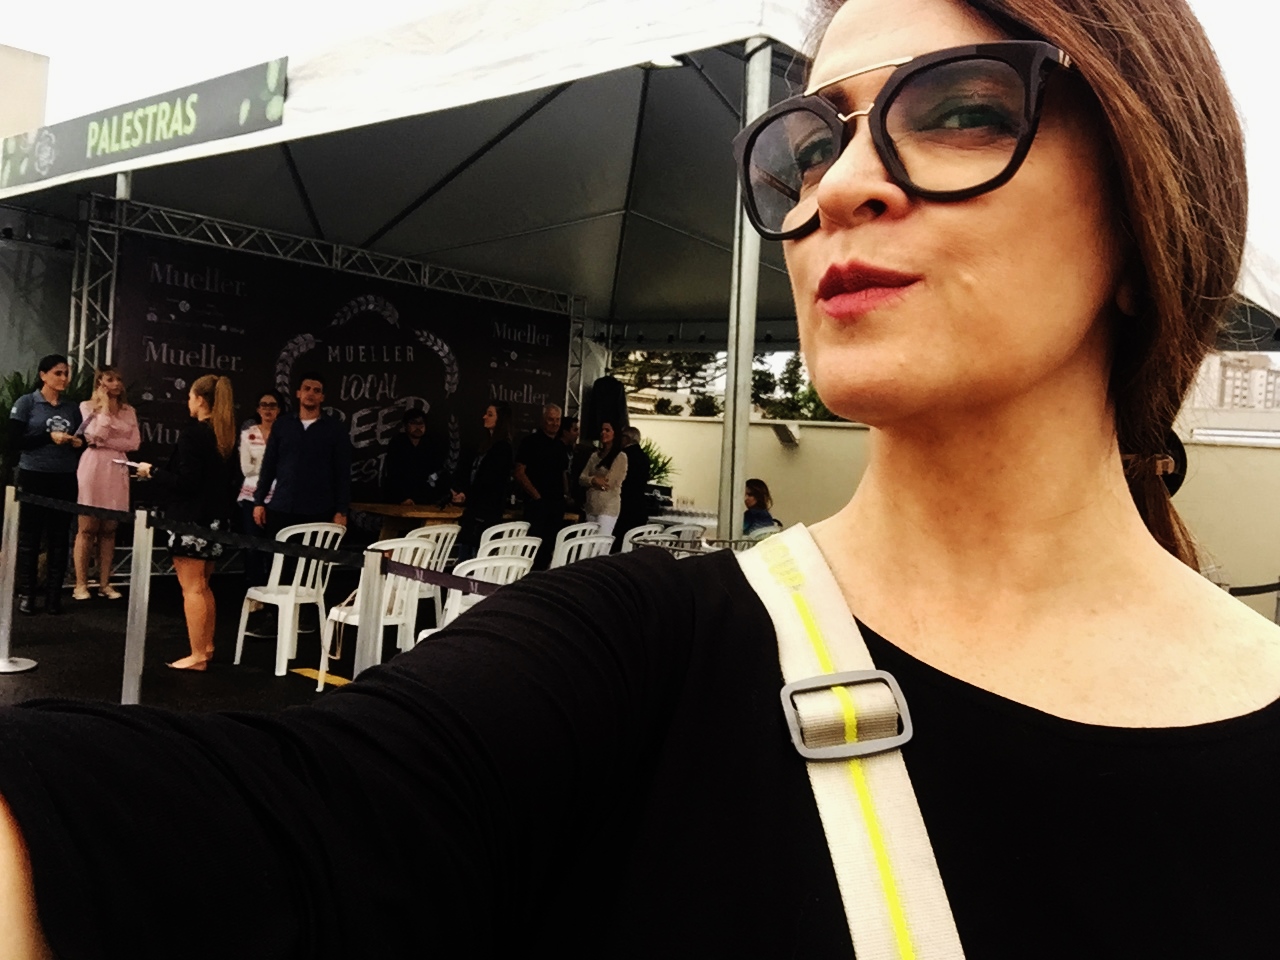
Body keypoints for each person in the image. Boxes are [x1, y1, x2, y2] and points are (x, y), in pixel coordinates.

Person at [3, 0, 1280, 954]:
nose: (837, 187)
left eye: (958, 110)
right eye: (806, 145)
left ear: (1147, 209)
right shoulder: (641, 656)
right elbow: (286, 822)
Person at [135, 375, 236, 672]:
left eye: (190, 397)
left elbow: (188, 483)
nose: (187, 402)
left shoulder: (193, 435)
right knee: (203, 586)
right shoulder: (225, 434)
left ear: (201, 400)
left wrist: (153, 472)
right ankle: (206, 647)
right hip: (216, 518)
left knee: (191, 588)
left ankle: (197, 654)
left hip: (191, 518)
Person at [7, 354, 83, 616]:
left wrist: (78, 442)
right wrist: (48, 437)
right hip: (34, 475)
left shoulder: (72, 408)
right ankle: (27, 594)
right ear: (43, 375)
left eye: (66, 373)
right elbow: (14, 441)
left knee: (60, 538)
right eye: (58, 373)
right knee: (30, 537)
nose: (64, 378)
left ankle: (53, 596)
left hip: (65, 476)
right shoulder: (26, 402)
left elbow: (81, 440)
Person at [71, 366, 140, 601]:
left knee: (109, 529)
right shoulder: (87, 406)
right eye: (110, 379)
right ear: (100, 382)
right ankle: (80, 584)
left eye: (119, 379)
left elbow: (134, 443)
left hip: (118, 466)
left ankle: (104, 583)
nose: (116, 384)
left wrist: (107, 442)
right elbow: (94, 437)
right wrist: (104, 410)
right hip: (94, 466)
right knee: (87, 528)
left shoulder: (129, 410)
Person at [451, 403, 515, 560]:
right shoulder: (486, 445)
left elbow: (489, 481)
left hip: (486, 512)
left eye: (490, 414)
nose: (484, 417)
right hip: (476, 509)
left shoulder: (502, 448)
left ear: (500, 419)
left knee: (474, 557)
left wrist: (468, 495)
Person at [236, 389, 282, 605]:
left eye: (272, 405)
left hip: (278, 498)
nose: (268, 410)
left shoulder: (284, 434)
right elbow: (246, 469)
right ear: (257, 409)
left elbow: (287, 467)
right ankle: (254, 595)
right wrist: (271, 467)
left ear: (279, 410)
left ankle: (273, 596)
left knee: (274, 548)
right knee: (253, 547)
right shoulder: (249, 434)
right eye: (264, 405)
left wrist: (261, 465)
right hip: (251, 498)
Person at [514, 403, 566, 569]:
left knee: (550, 549)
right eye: (551, 419)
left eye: (557, 420)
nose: (555, 423)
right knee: (532, 549)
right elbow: (519, 472)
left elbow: (563, 473)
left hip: (556, 505)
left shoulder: (560, 446)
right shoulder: (530, 442)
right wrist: (536, 497)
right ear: (543, 420)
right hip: (537, 506)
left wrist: (565, 496)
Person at [381, 409, 443, 505]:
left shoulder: (430, 443)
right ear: (405, 425)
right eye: (413, 423)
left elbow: (437, 471)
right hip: (400, 497)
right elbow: (393, 474)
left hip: (426, 497)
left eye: (421, 423)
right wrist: (402, 498)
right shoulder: (397, 443)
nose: (418, 427)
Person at [578, 421, 628, 537]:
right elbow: (581, 478)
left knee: (601, 543)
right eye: (602, 430)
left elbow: (607, 483)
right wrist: (593, 480)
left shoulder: (620, 457)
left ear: (615, 434)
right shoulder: (595, 456)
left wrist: (590, 480)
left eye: (607, 430)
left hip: (607, 507)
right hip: (591, 506)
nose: (603, 433)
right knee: (588, 543)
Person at [612, 425, 650, 549]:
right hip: (639, 505)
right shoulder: (644, 457)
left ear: (627, 439)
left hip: (625, 505)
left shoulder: (623, 456)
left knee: (619, 543)